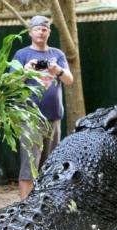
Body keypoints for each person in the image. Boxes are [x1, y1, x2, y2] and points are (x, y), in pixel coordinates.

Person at [13, 15, 74, 199]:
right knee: (28, 167)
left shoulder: (57, 54)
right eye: (37, 29)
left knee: (51, 167)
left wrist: (58, 70)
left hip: (53, 119)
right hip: (30, 119)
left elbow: (69, 80)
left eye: (44, 29)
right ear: (30, 32)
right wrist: (26, 71)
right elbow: (11, 84)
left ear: (49, 32)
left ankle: (45, 208)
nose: (41, 32)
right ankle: (25, 210)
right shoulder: (22, 55)